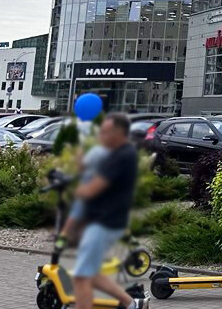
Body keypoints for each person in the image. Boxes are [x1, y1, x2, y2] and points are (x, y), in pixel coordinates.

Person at [72, 113, 143, 309]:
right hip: (103, 221)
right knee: (90, 273)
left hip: (105, 222)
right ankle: (131, 304)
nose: (101, 136)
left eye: (105, 132)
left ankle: (130, 303)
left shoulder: (123, 156)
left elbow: (93, 188)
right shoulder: (117, 154)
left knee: (82, 276)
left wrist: (76, 189)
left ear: (118, 132)